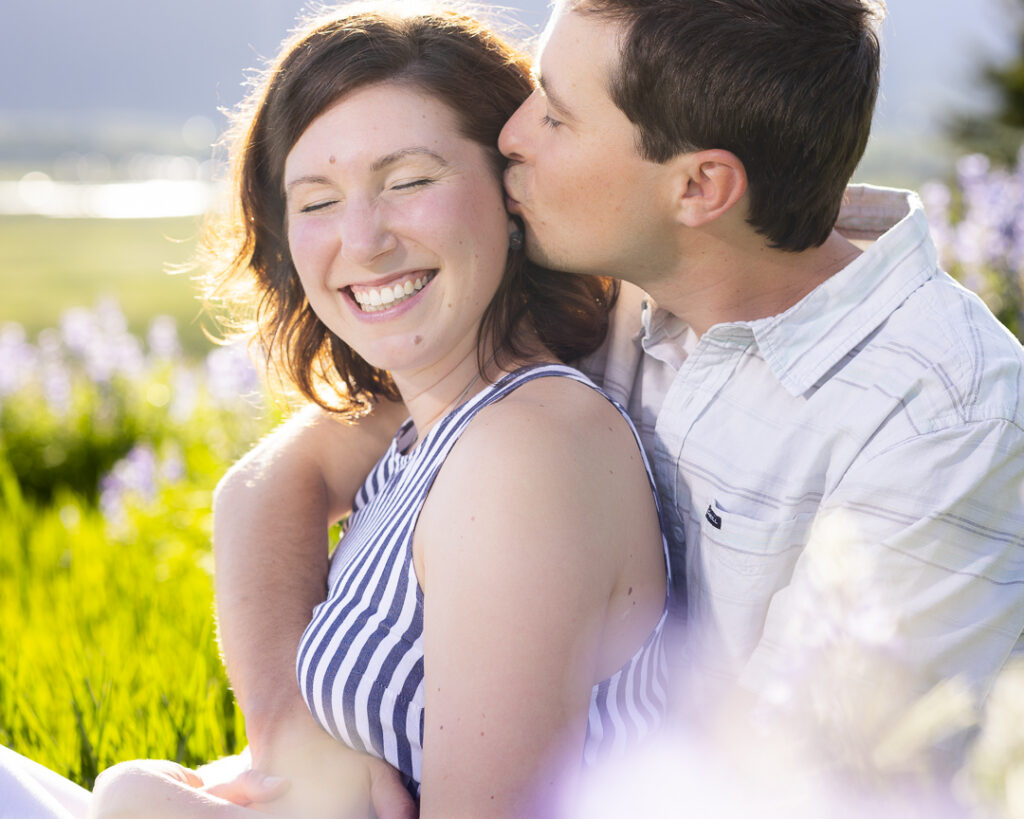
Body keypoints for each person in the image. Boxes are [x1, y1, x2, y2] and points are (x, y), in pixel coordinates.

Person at [216, 0, 1024, 804]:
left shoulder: (943, 421)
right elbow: (283, 475)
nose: (512, 135)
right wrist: (288, 740)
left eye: (558, 117)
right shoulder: (628, 283)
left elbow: (801, 787)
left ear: (701, 186)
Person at [0, 5, 672, 819]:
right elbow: (261, 484)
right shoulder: (437, 412)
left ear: (512, 192)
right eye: (317, 201)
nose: (363, 239)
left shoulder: (527, 454)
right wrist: (284, 737)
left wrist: (144, 802)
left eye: (410, 181)